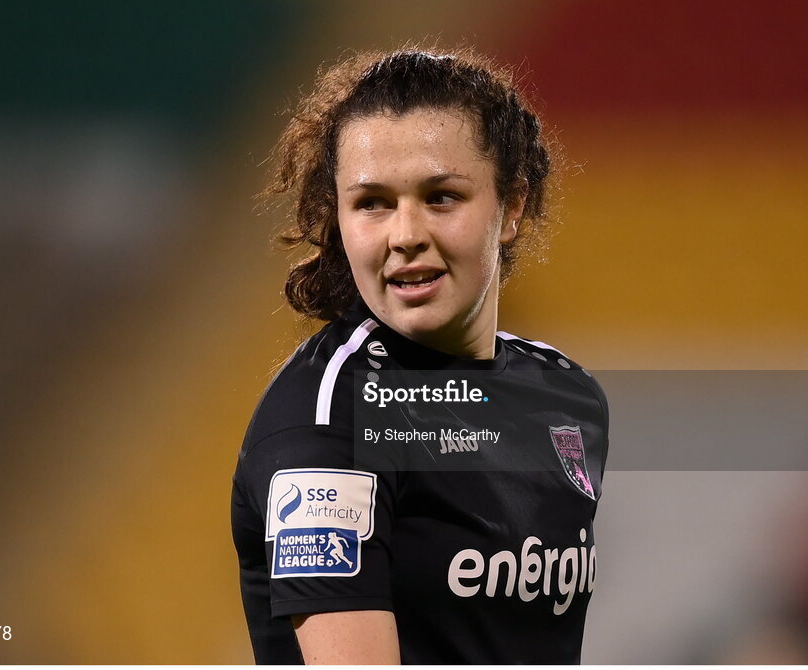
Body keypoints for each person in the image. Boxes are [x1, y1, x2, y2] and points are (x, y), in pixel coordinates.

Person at [231, 47, 609, 664]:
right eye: (372, 202)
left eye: (440, 197)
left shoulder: (568, 397)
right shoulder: (328, 422)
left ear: (511, 207)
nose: (405, 235)